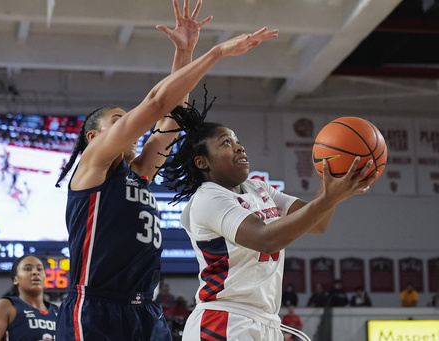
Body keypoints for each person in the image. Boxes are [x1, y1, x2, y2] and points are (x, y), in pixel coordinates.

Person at [52, 0, 279, 339]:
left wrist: (184, 53)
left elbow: (172, 116)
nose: (128, 125)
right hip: (97, 307)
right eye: (118, 121)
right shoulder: (93, 164)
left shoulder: (139, 172)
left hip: (146, 308)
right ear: (94, 136)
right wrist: (216, 53)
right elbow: (157, 103)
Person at [159, 96, 378, 340]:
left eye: (238, 142)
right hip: (224, 321)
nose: (239, 147)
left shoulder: (258, 188)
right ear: (202, 162)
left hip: (265, 321)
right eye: (226, 143)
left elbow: (318, 223)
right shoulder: (208, 198)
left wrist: (333, 184)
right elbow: (265, 239)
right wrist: (329, 198)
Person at [0, 255, 59, 341]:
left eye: (39, 269)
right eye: (28, 269)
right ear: (15, 279)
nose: (35, 272)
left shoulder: (59, 311)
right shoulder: (6, 305)